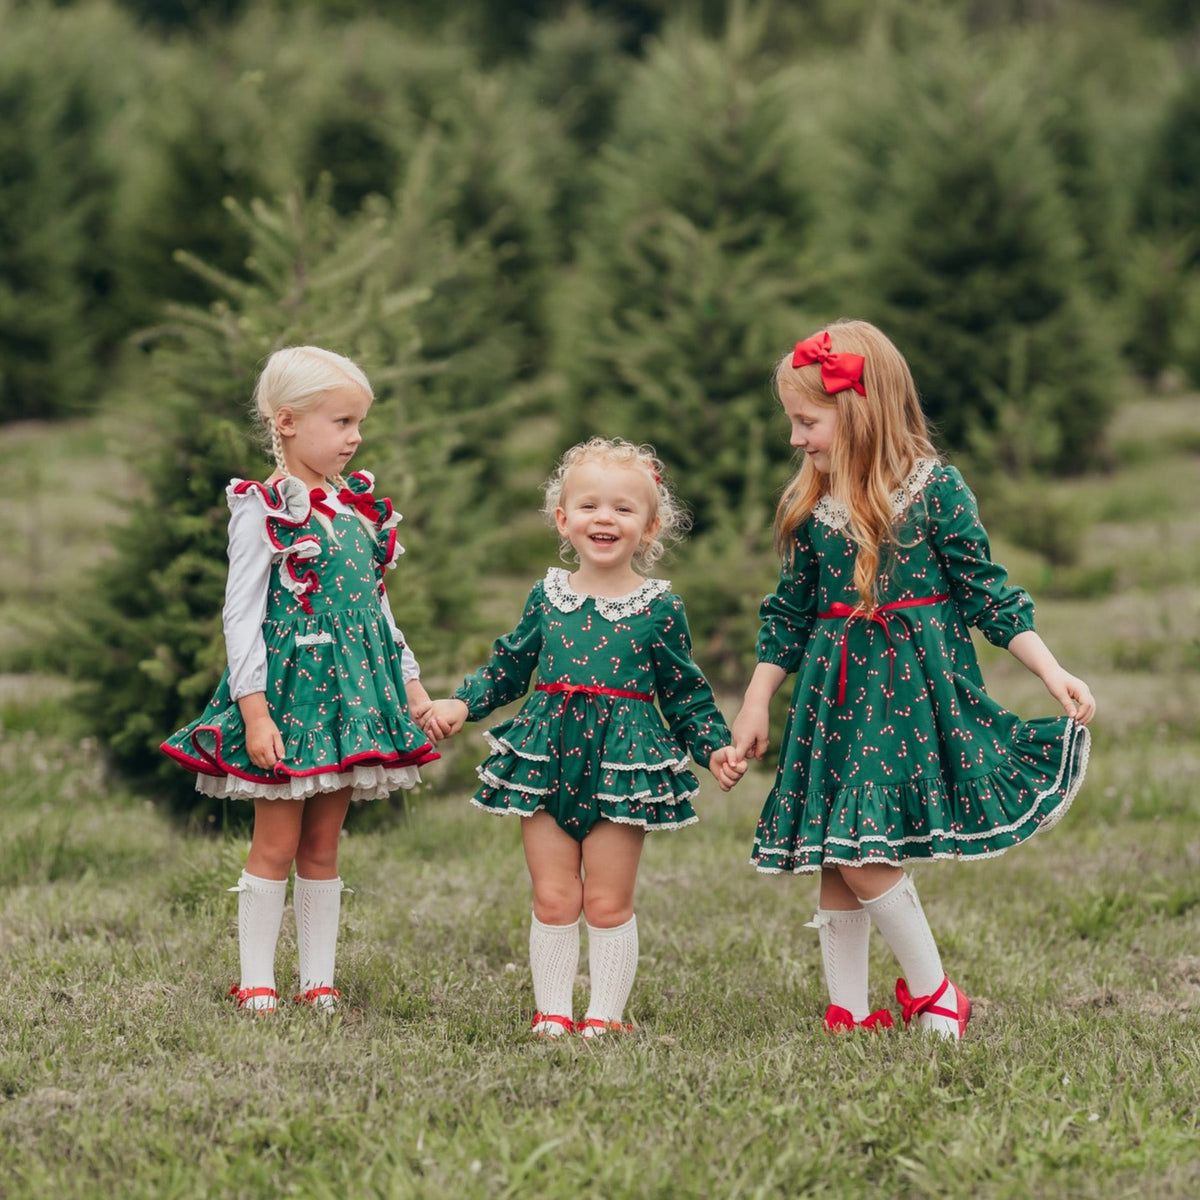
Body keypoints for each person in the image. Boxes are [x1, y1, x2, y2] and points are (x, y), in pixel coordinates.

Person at [731, 320, 1095, 1040]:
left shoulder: (936, 492)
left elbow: (989, 594)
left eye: (807, 421)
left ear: (860, 411)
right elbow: (789, 617)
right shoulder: (811, 508)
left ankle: (935, 994)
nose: (796, 439)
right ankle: (850, 1009)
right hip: (834, 703)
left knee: (865, 853)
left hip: (908, 699)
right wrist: (757, 696)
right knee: (840, 853)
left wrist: (1051, 669)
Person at [424, 437, 745, 1037]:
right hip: (545, 759)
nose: (605, 518)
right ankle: (552, 1014)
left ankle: (604, 1017)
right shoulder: (547, 598)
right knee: (553, 896)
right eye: (591, 506)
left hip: (623, 768)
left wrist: (714, 747)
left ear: (649, 528)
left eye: (624, 509)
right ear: (563, 519)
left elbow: (684, 691)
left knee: (605, 901)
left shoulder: (659, 608)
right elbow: (508, 667)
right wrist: (460, 702)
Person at [161, 346, 439, 1012]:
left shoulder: (357, 512)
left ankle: (319, 981)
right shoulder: (264, 510)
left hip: (351, 702)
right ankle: (256, 978)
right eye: (341, 422)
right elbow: (241, 613)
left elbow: (378, 611)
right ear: (287, 422)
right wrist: (254, 712)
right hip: (290, 701)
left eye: (358, 423)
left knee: (323, 843)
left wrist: (412, 686)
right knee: (277, 841)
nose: (355, 436)